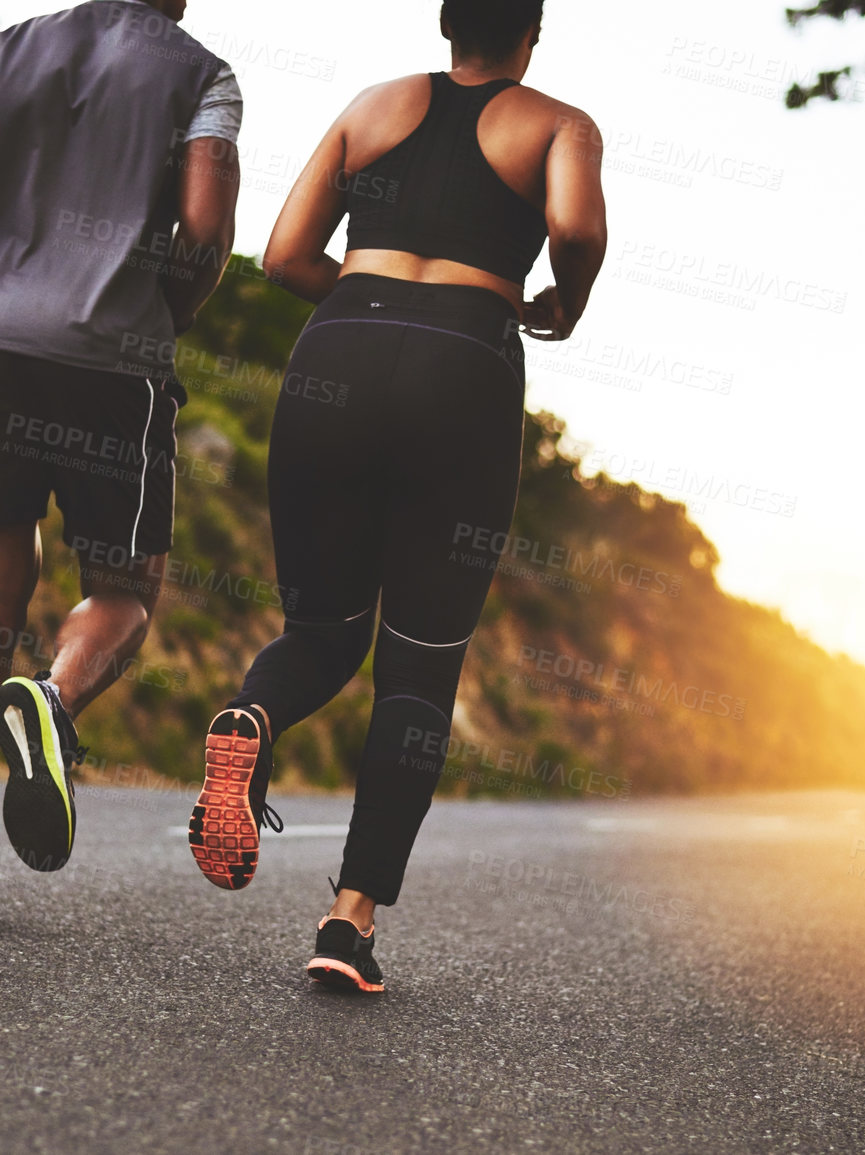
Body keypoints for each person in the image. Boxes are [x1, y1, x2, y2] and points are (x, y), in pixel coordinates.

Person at [188, 0, 606, 993]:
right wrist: (565, 302)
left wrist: (372, 300)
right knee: (417, 665)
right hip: (465, 362)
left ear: (446, 23)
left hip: (339, 347)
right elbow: (576, 226)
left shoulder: (372, 106)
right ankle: (348, 923)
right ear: (531, 35)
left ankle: (251, 715)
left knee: (323, 629)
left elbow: (285, 256)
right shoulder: (556, 124)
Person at [0, 0, 242, 925]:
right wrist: (168, 315)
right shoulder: (201, 76)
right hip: (112, 365)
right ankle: (49, 698)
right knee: (125, 587)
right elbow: (202, 231)